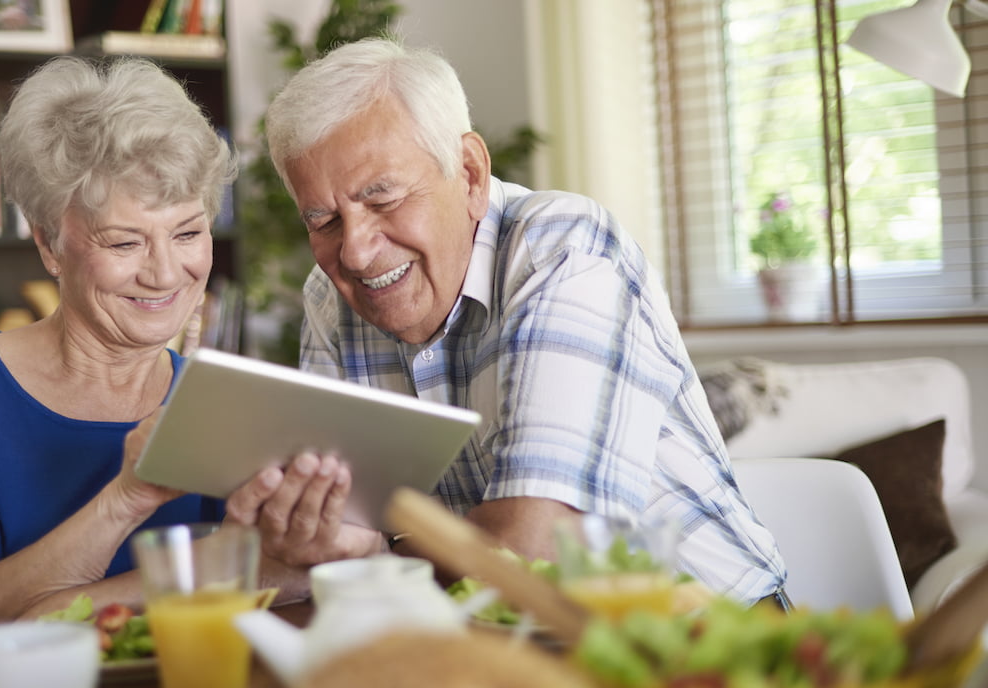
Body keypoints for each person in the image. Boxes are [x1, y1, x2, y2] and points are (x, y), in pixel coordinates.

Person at [231, 36, 787, 605]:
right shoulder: (330, 297)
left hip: (717, 644)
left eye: (383, 200)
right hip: (515, 655)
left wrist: (378, 552)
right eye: (323, 221)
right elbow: (326, 542)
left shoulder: (564, 249)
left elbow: (536, 548)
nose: (354, 252)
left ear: (470, 174)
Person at [0, 56, 327, 675]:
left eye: (188, 232)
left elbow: (263, 579)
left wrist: (70, 604)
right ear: (48, 243)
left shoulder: (222, 399)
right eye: (124, 242)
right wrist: (127, 502)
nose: (166, 273)